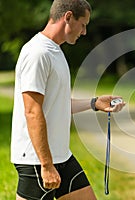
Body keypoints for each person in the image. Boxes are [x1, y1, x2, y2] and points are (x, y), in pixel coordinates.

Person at [10, 0, 125, 199]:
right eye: (83, 24)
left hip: (61, 155)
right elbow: (32, 111)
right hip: (37, 160)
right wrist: (46, 165)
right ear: (68, 17)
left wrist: (94, 103)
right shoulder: (38, 53)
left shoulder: (55, 51)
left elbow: (58, 104)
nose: (84, 32)